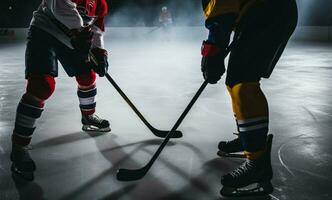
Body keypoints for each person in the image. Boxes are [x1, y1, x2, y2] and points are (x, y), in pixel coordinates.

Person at [200, 0, 297, 197]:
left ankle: (257, 163)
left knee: (243, 83)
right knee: (234, 82)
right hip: (259, 14)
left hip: (269, 12)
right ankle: (249, 139)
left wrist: (214, 48)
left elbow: (222, 6)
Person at [11, 0, 110, 181]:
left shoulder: (100, 4)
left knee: (87, 76)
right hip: (44, 32)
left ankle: (88, 116)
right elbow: (60, 6)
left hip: (73, 39)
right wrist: (81, 35)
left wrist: (100, 52)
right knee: (42, 86)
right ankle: (18, 147)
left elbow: (96, 28)